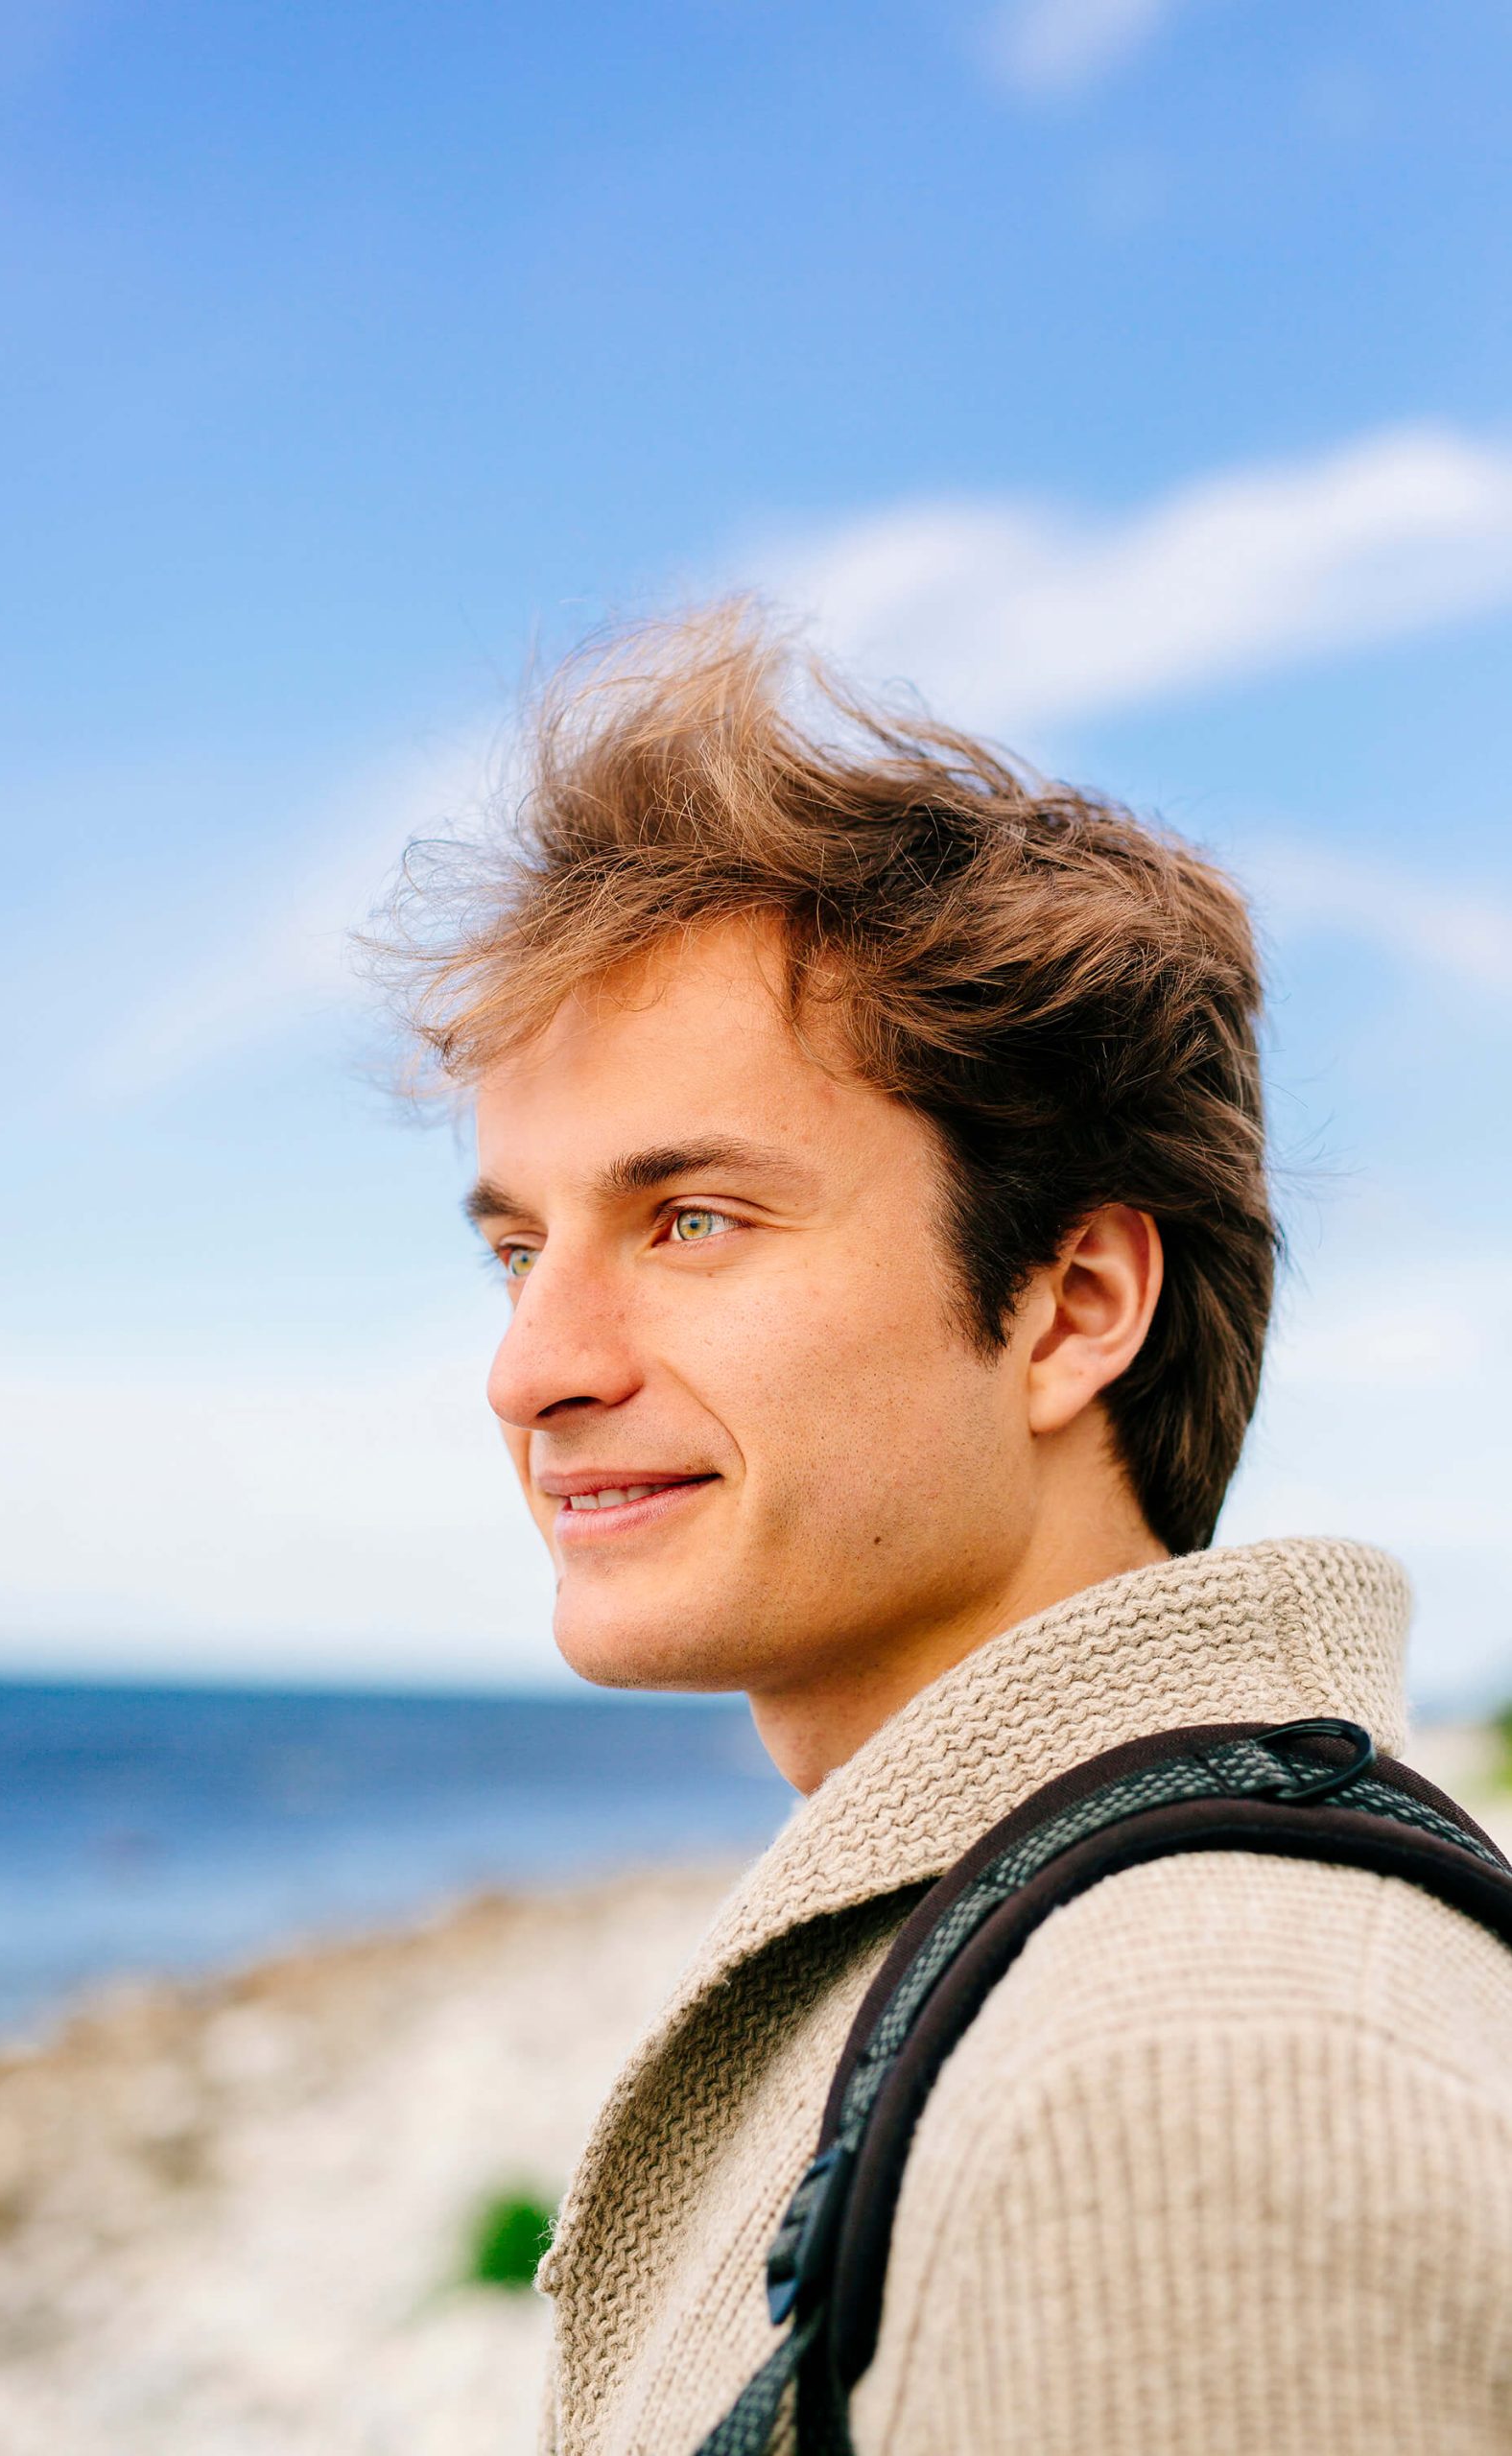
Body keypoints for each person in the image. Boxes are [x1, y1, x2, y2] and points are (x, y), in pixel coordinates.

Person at [384, 604, 1512, 2454]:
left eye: (693, 1221)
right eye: (521, 1248)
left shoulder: (1184, 2097)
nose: (533, 1370)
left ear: (1073, 1306)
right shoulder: (1066, 1947)